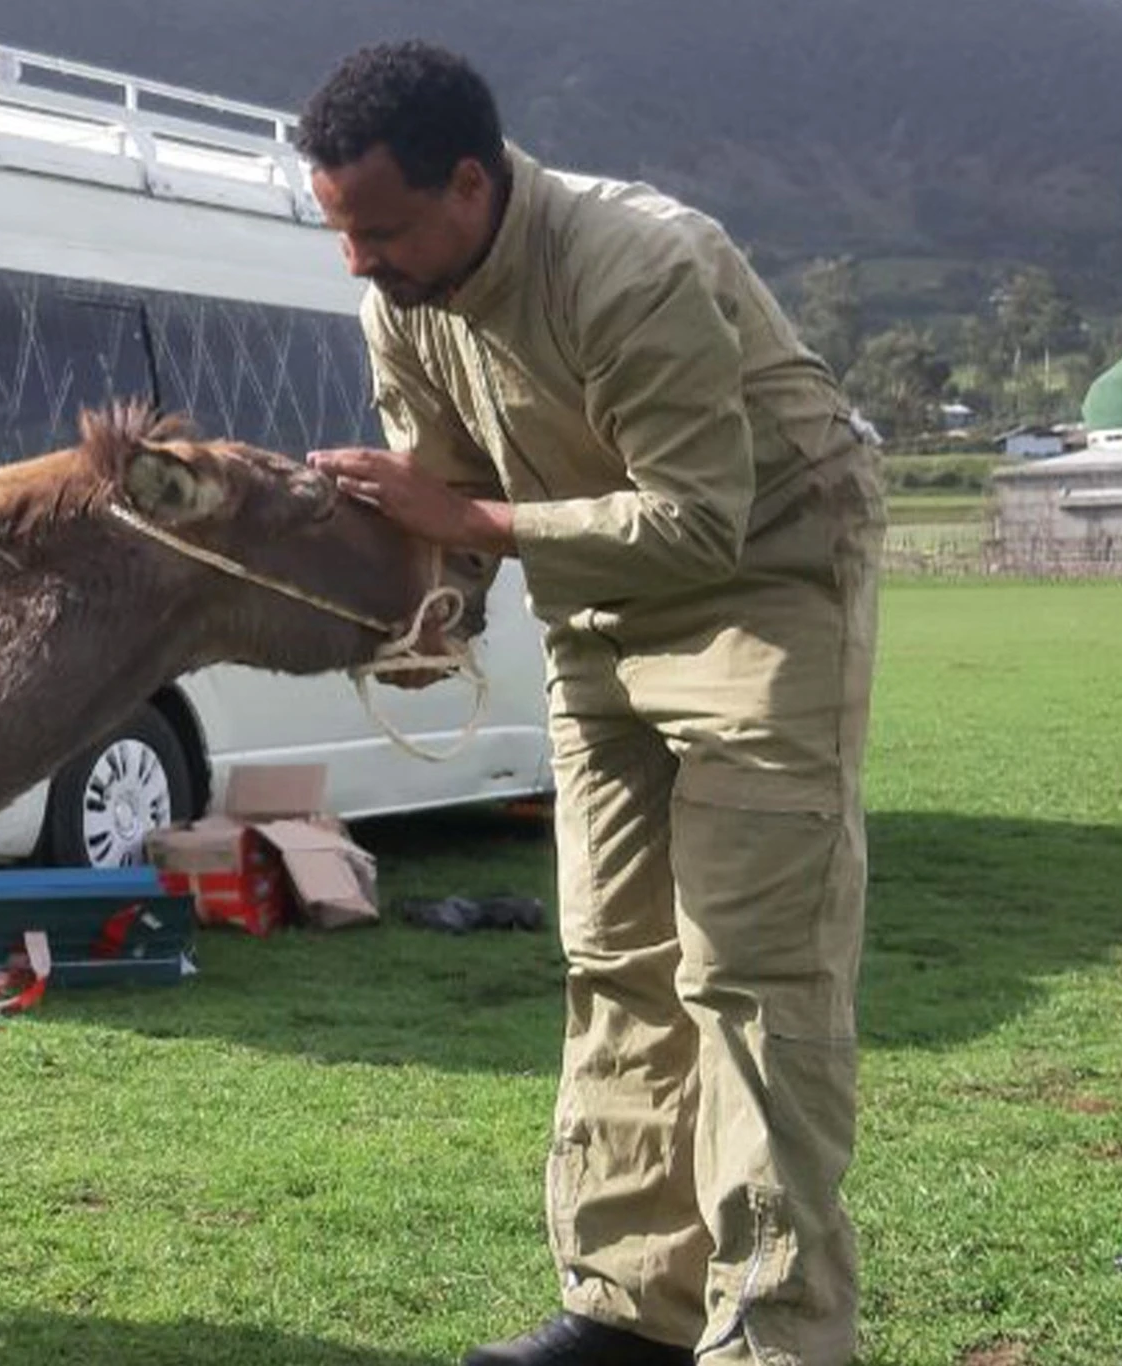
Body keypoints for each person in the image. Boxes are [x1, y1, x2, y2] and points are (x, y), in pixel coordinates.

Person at [294, 41, 884, 1366]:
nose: (356, 263)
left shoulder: (635, 265)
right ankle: (630, 1309)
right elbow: (445, 494)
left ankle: (777, 1334)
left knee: (751, 976)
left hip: (767, 585)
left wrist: (475, 525)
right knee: (618, 961)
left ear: (469, 183)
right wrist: (429, 611)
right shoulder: (404, 299)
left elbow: (701, 521)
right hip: (599, 615)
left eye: (378, 231)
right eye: (340, 232)